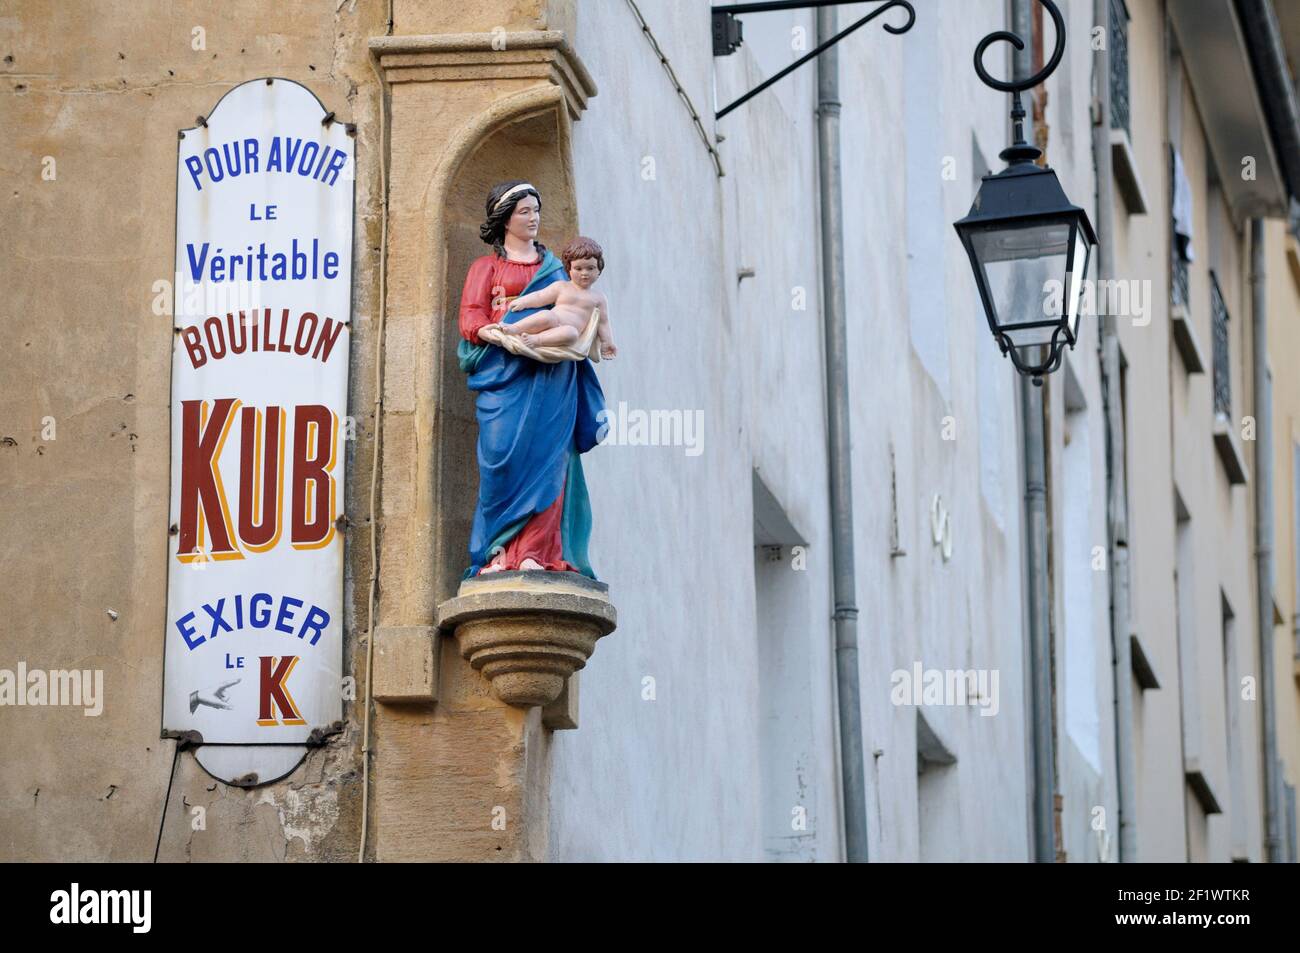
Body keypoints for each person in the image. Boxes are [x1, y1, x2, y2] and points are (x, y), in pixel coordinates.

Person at [456, 180, 607, 577]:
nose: (533, 217)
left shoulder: (555, 268)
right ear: (505, 218)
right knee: (500, 456)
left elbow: (584, 308)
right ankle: (498, 552)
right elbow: (470, 315)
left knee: (550, 459)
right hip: (502, 374)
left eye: (536, 210)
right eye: (524, 211)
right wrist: (491, 332)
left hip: (551, 373)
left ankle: (537, 553)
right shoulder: (484, 268)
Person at [503, 236, 617, 359]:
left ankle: (536, 340)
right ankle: (515, 328)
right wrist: (524, 302)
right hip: (553, 320)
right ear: (569, 269)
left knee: (572, 334)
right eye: (578, 268)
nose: (584, 273)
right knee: (546, 315)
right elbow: (540, 296)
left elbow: (603, 322)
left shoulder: (598, 298)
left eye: (590, 268)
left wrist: (607, 343)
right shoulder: (561, 287)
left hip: (568, 331)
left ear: (599, 270)